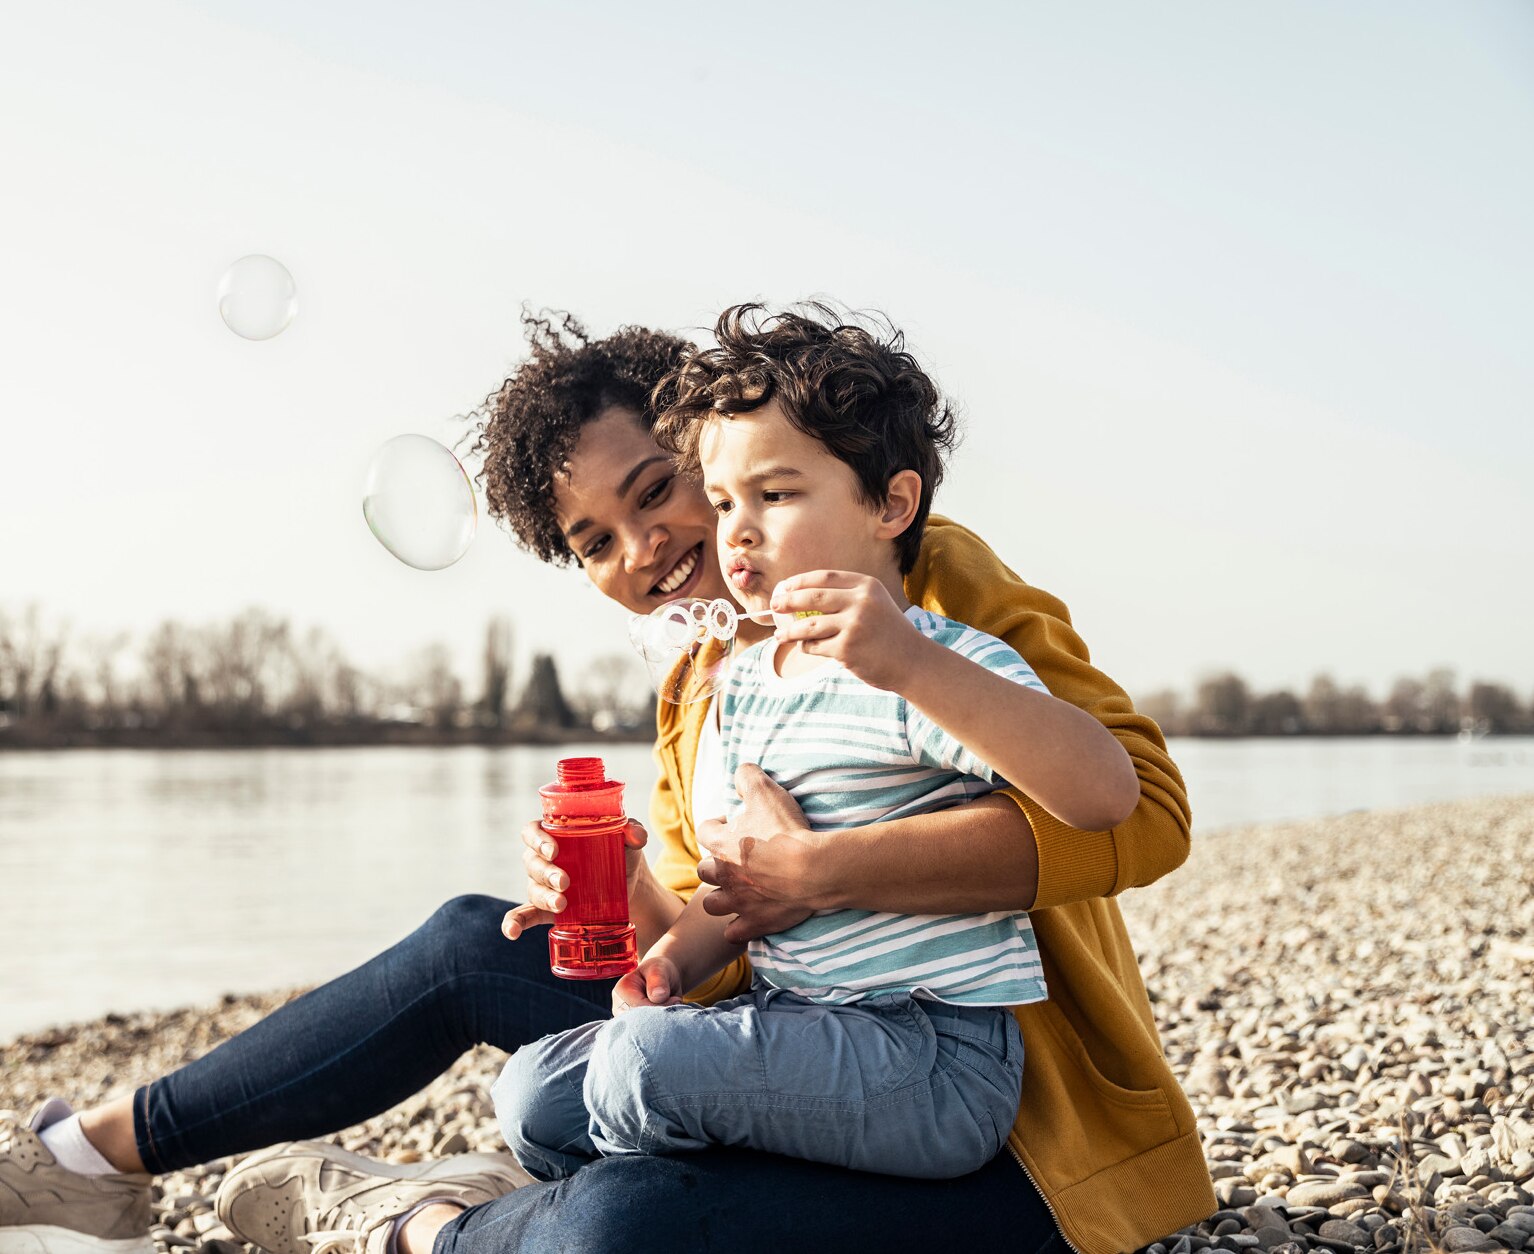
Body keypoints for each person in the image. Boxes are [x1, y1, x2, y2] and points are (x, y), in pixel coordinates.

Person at [0, 308, 1214, 1254]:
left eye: (659, 490)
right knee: (476, 944)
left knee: (624, 1227)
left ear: (720, 449)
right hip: (807, 1048)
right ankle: (89, 1162)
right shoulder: (706, 676)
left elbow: (1141, 812)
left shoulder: (913, 584)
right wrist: (634, 898)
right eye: (595, 543)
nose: (653, 550)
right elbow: (731, 950)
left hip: (995, 1124)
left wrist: (822, 870)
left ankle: (420, 1224)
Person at [492, 305, 1141, 1183]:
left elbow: (1109, 796)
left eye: (776, 495)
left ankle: (621, 1204)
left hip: (932, 1053)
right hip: (802, 1019)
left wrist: (911, 663)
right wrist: (664, 965)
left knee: (634, 1072)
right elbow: (734, 896)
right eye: (724, 502)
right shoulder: (734, 686)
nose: (738, 532)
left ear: (892, 505)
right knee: (532, 1092)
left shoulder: (928, 654)